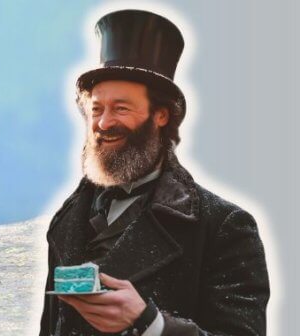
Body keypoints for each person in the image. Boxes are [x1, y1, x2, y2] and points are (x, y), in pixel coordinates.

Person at [39, 9, 269, 336]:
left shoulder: (224, 228)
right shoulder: (67, 220)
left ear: (160, 115)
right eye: (97, 109)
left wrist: (151, 324)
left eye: (121, 108)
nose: (103, 123)